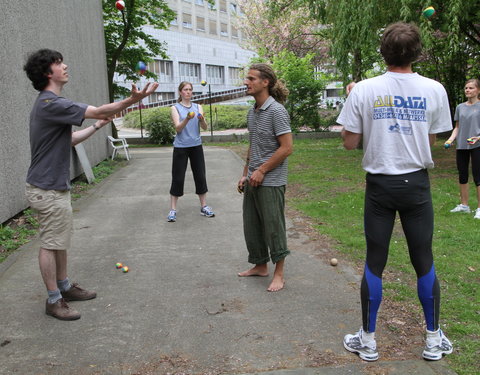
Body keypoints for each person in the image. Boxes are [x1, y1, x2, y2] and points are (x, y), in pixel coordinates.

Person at [337, 22, 454, 361]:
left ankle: (368, 340)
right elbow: (431, 139)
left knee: (375, 261)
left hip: (380, 187)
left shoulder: (363, 89)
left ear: (383, 52)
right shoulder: (435, 89)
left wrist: (356, 105)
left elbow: (349, 143)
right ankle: (433, 340)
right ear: (417, 52)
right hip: (416, 185)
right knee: (424, 259)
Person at [23, 49, 158, 320]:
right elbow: (97, 110)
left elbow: (70, 140)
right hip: (47, 188)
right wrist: (132, 100)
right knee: (51, 243)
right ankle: (53, 300)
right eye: (59, 63)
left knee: (59, 241)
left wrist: (97, 128)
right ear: (48, 73)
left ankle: (64, 287)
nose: (65, 66)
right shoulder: (52, 103)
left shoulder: (50, 106)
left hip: (52, 186)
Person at [237, 63, 293, 292]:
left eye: (251, 78)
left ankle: (279, 273)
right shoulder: (253, 112)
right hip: (253, 179)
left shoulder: (277, 111)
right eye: (246, 78)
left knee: (273, 227)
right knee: (252, 226)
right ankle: (260, 266)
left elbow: (287, 147)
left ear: (265, 82)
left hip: (271, 180)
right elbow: (254, 146)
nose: (246, 82)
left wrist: (262, 171)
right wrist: (245, 173)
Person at [167, 81, 213, 222]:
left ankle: (204, 206)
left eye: (190, 90)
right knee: (178, 177)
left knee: (200, 176)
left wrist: (201, 119)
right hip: (181, 147)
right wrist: (187, 118)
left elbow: (205, 127)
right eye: (185, 89)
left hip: (196, 146)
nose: (188, 92)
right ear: (180, 92)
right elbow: (178, 128)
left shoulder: (198, 106)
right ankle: (173, 209)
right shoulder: (175, 108)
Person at [444, 79, 480, 219]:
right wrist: (450, 139)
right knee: (462, 175)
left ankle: (479, 208)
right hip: (462, 146)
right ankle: (464, 205)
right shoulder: (460, 107)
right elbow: (457, 127)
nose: (467, 90)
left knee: (478, 177)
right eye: (466, 88)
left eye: (471, 88)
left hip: (477, 145)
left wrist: (478, 138)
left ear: (478, 90)